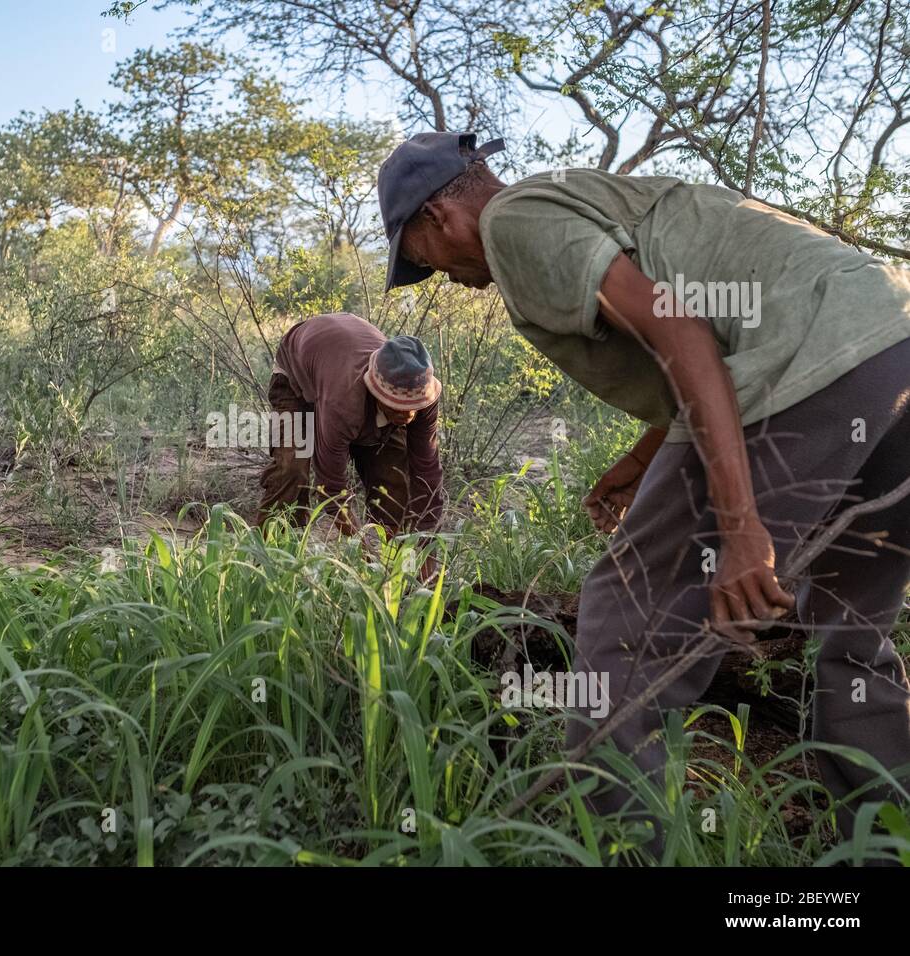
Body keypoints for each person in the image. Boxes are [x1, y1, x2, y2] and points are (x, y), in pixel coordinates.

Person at [377, 130, 910, 850]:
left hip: (806, 366)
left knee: (624, 620)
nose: (439, 275)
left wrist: (740, 524)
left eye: (421, 259)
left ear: (438, 218)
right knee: (853, 635)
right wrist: (639, 460)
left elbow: (680, 331)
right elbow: (698, 352)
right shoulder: (578, 200)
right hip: (889, 351)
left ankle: (628, 848)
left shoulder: (515, 221)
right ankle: (887, 842)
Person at [257, 312, 445, 575]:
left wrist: (425, 548)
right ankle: (264, 564)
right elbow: (330, 487)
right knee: (292, 470)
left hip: (341, 368)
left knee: (394, 484)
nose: (408, 415)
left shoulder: (421, 391)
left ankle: (395, 574)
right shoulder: (343, 403)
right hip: (296, 379)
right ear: (376, 392)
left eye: (415, 406)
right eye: (398, 405)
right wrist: (363, 549)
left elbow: (427, 474)